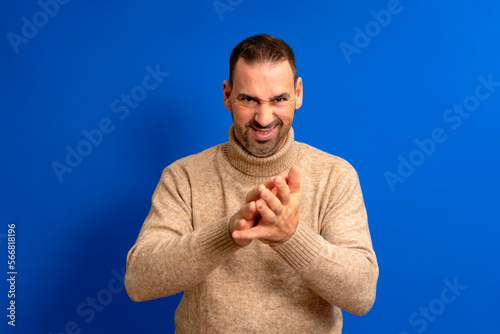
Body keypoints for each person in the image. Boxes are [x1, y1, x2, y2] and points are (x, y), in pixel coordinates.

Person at [125, 34, 378, 333]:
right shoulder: (183, 177)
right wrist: (228, 233)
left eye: (279, 99)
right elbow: (139, 281)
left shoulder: (336, 176)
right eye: (249, 99)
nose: (264, 117)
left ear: (298, 93)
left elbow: (361, 295)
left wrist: (291, 236)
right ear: (227, 95)